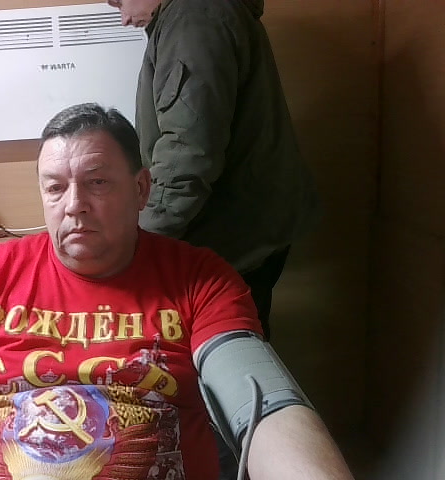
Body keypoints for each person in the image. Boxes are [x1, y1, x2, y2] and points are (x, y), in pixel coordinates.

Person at [0, 104, 351, 480]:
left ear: (141, 188)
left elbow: (265, 406)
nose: (73, 204)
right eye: (55, 187)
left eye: (97, 182)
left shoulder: (200, 278)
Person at [108, 0, 321, 342]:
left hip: (230, 234)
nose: (118, 11)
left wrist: (142, 245)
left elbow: (187, 151)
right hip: (245, 226)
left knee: (225, 349)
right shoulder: (200, 13)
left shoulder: (193, 17)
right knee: (236, 341)